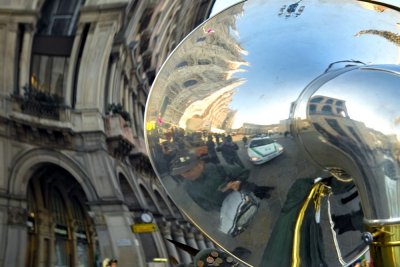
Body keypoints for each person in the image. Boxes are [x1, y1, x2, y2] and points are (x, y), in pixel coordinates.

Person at [170, 153, 274, 211]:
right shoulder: (188, 187)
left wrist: (237, 182)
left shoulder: (218, 169)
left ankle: (267, 194)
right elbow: (203, 205)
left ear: (200, 165)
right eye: (181, 173)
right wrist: (224, 208)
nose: (185, 175)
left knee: (261, 192)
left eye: (188, 170)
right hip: (235, 209)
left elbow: (244, 172)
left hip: (248, 192)